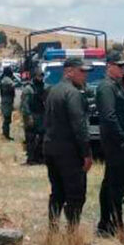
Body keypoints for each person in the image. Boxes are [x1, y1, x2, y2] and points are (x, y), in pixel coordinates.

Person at [43, 57, 93, 230]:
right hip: (68, 152)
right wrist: (86, 153)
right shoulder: (72, 93)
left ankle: (53, 230)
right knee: (76, 195)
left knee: (57, 192)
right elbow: (79, 126)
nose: (84, 76)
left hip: (51, 148)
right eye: (82, 71)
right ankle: (72, 235)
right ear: (69, 71)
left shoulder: (53, 90)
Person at [96, 51, 124, 240]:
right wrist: (123, 139)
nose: (123, 70)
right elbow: (109, 117)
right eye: (120, 66)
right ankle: (116, 224)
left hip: (121, 141)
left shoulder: (118, 86)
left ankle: (107, 223)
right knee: (116, 184)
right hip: (116, 142)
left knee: (112, 183)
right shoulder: (107, 87)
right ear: (110, 66)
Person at [20, 68, 46, 165]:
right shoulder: (29, 88)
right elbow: (25, 104)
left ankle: (40, 158)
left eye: (42, 76)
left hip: (42, 115)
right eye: (39, 75)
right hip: (32, 115)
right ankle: (31, 159)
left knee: (42, 138)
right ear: (34, 76)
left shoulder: (44, 87)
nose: (40, 78)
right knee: (30, 138)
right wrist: (28, 116)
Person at [0, 66, 17, 140]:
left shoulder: (5, 79)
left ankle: (6, 134)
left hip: (7, 100)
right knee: (7, 118)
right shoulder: (6, 79)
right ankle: (5, 135)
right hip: (7, 100)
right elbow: (12, 85)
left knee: (7, 118)